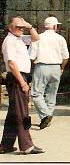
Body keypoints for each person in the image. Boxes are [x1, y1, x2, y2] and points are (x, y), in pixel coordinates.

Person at [0, 17, 43, 155]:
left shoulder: (19, 38)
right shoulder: (9, 41)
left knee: (14, 112)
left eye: (22, 27)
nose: (21, 29)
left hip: (20, 76)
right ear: (10, 27)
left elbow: (36, 38)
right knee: (22, 113)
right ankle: (26, 145)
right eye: (18, 27)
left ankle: (5, 145)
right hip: (17, 77)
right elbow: (12, 64)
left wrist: (29, 26)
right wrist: (23, 82)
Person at [28, 16, 69, 129]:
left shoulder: (38, 38)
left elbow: (31, 56)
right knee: (52, 94)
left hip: (42, 66)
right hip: (56, 67)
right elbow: (65, 56)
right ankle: (48, 116)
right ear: (55, 26)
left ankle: (45, 115)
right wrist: (62, 68)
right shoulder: (60, 38)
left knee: (37, 93)